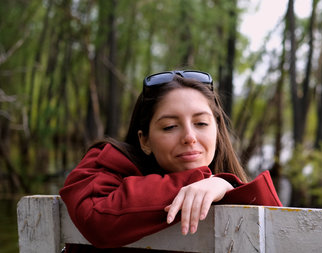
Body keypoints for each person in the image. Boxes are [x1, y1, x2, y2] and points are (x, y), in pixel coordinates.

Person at [60, 70, 282, 252]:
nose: (189, 137)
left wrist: (225, 186)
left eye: (201, 123)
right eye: (170, 127)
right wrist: (199, 180)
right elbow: (97, 216)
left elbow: (280, 237)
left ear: (217, 131)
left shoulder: (228, 185)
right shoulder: (105, 163)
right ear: (144, 140)